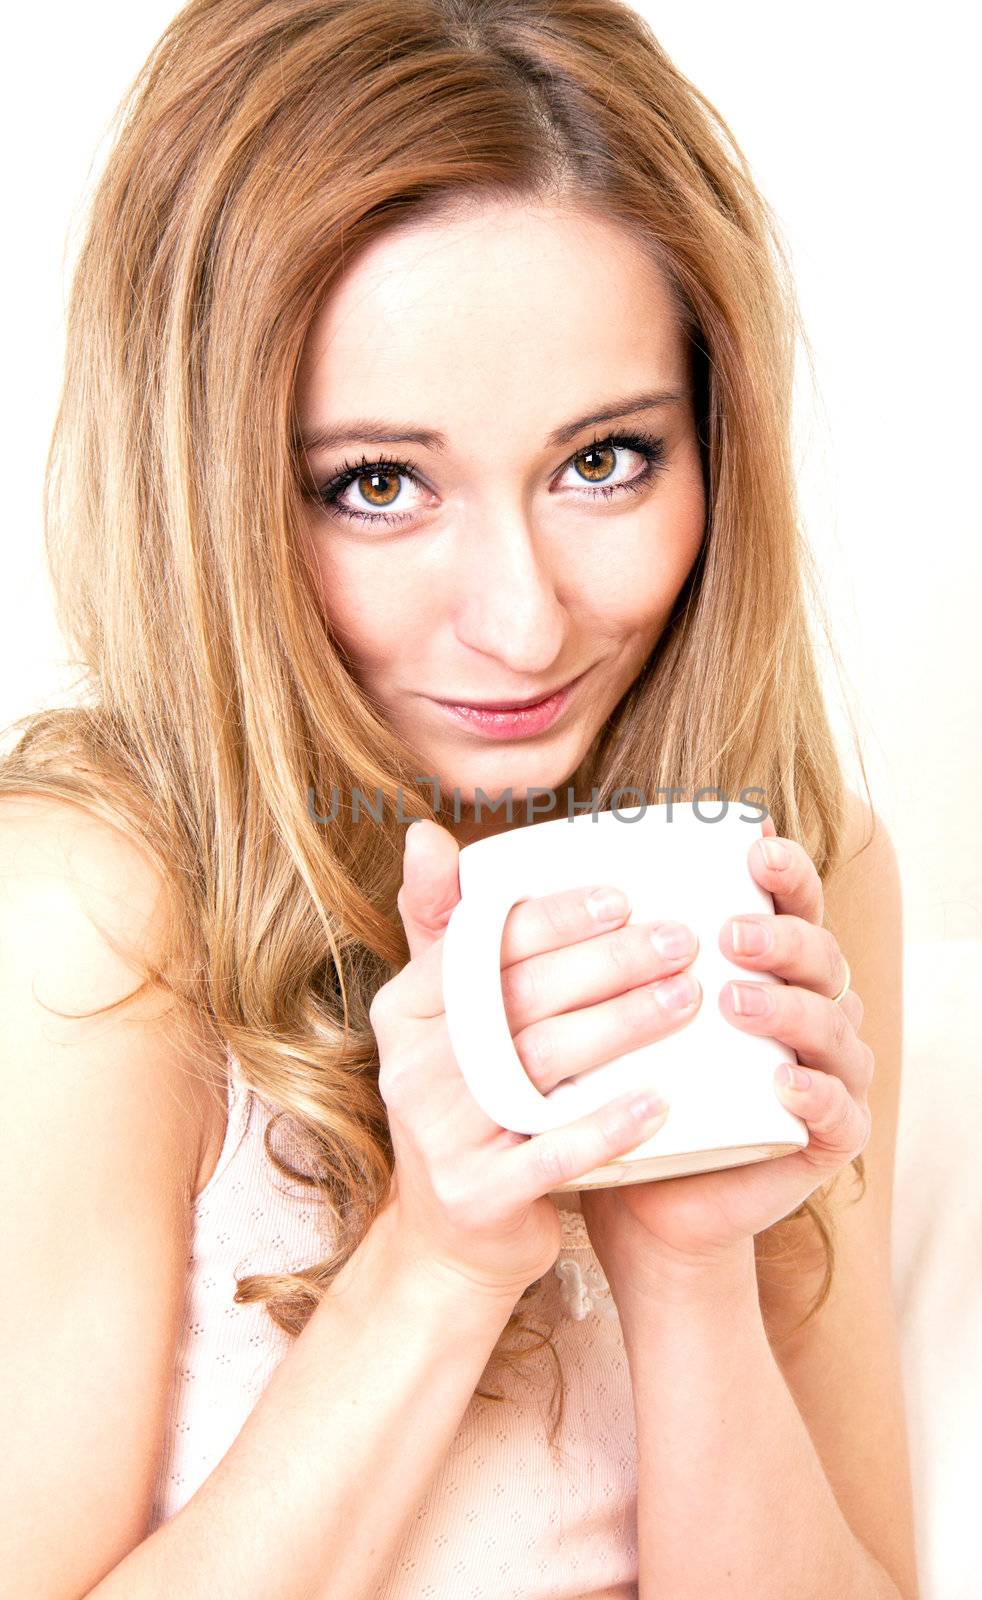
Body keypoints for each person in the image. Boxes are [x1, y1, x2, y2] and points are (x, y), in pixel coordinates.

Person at [0, 1, 919, 1596]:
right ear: (214, 494)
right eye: (378, 484)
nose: (522, 620)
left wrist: (690, 1268)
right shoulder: (89, 916)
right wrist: (437, 1265)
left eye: (606, 461)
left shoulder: (803, 860)